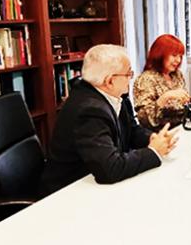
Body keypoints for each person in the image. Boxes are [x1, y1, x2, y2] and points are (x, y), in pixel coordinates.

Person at [40, 44, 177, 196]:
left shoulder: (117, 96)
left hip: (93, 183)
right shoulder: (89, 110)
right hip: (69, 193)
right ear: (110, 81)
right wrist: (153, 151)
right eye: (128, 74)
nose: (130, 79)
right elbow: (110, 169)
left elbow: (131, 130)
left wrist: (152, 138)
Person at [133, 34, 191, 130]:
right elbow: (144, 120)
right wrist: (165, 97)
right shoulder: (146, 79)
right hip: (161, 135)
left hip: (182, 128)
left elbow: (184, 109)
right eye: (174, 55)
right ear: (159, 54)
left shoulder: (177, 75)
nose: (178, 60)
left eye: (180, 56)